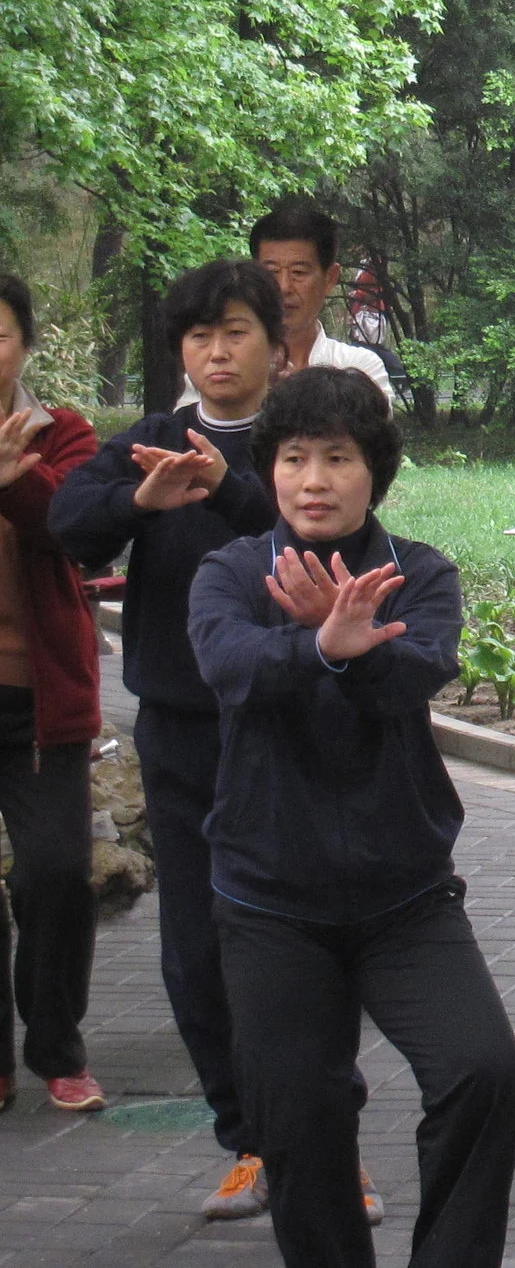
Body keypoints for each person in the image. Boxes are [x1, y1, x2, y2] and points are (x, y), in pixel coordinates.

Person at [189, 368, 515, 1267]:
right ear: (270, 472)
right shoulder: (228, 570)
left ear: (374, 470)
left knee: (483, 1069)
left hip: (403, 895)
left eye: (338, 457)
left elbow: (418, 668)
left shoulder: (417, 573)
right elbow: (231, 666)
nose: (314, 479)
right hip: (268, 903)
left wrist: (353, 652)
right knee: (299, 1116)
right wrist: (318, 646)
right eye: (294, 458)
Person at [50, 261, 314, 1218]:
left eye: (236, 330)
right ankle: (249, 1140)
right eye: (199, 335)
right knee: (194, 952)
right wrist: (139, 503)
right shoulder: (150, 445)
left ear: (275, 344)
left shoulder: (301, 438)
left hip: (286, 726)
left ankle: (320, 1146)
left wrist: (230, 492)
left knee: (296, 945)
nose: (216, 350)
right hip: (179, 729)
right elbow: (66, 522)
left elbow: (319, 536)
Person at [0, 273, 106, 1115]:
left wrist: (12, 479)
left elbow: (73, 521)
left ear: (26, 344)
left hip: (40, 700)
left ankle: (56, 1041)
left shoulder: (61, 432)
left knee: (57, 873)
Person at [179, 201, 393, 409]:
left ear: (330, 278)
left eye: (298, 273)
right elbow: (189, 433)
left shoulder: (357, 367)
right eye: (271, 272)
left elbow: (372, 440)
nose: (283, 287)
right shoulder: (220, 369)